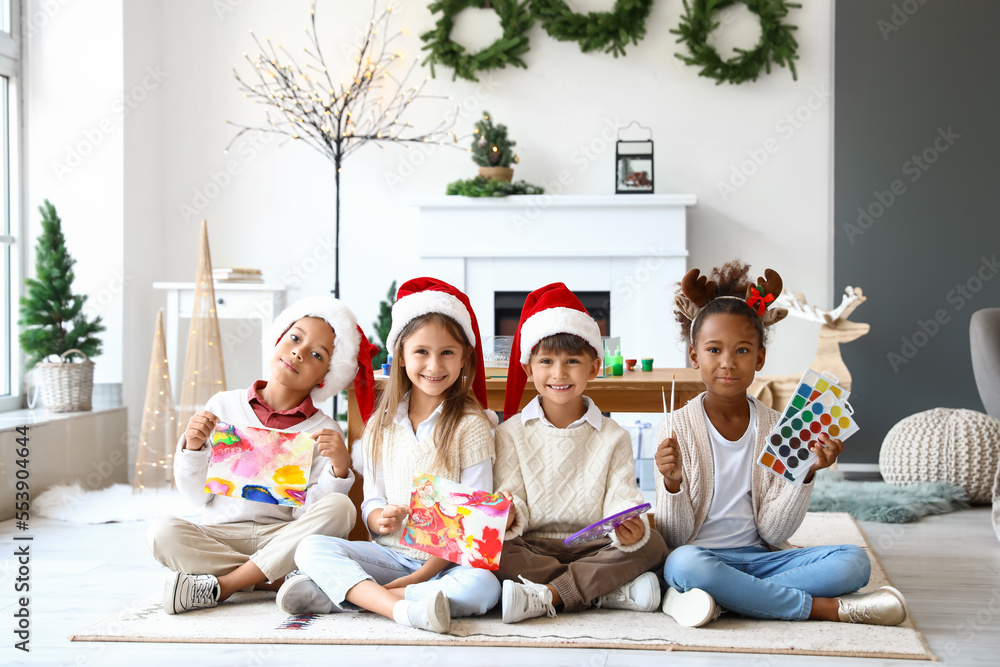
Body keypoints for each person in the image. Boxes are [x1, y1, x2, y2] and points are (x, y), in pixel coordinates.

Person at [655, 262, 907, 627]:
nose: (727, 363)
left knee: (855, 561)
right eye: (713, 350)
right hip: (700, 556)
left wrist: (805, 473)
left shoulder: (777, 426)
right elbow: (675, 537)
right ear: (694, 356)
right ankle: (823, 609)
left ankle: (725, 598)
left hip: (764, 557)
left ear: (760, 358)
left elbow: (775, 533)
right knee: (682, 564)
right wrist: (672, 483)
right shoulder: (676, 426)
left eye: (742, 351)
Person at [277, 278, 501, 634]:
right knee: (309, 547)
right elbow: (372, 501)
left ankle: (360, 597)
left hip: (447, 565)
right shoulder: (381, 424)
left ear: (464, 359)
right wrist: (379, 517)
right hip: (391, 555)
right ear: (400, 357)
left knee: (485, 586)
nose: (434, 365)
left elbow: (472, 526)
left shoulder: (471, 425)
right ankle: (403, 607)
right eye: (421, 352)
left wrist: (414, 579)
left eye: (447, 353)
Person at [148, 296, 377, 614]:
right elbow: (195, 498)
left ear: (325, 376)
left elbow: (306, 517)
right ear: (279, 338)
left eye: (316, 354)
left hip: (284, 537)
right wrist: (193, 447)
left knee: (341, 507)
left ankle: (226, 584)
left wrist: (339, 470)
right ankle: (273, 581)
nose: (298, 352)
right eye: (295, 338)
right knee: (162, 532)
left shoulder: (324, 431)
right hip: (222, 534)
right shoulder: (223, 406)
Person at [493, 283, 668, 623]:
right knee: (492, 551)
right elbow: (511, 497)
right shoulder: (509, 433)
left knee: (654, 544)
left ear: (593, 368)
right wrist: (509, 512)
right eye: (546, 361)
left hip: (595, 547)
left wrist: (627, 523)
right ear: (529, 369)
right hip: (532, 547)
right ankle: (605, 592)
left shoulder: (614, 436)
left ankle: (551, 595)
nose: (559, 373)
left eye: (572, 361)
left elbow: (622, 497)